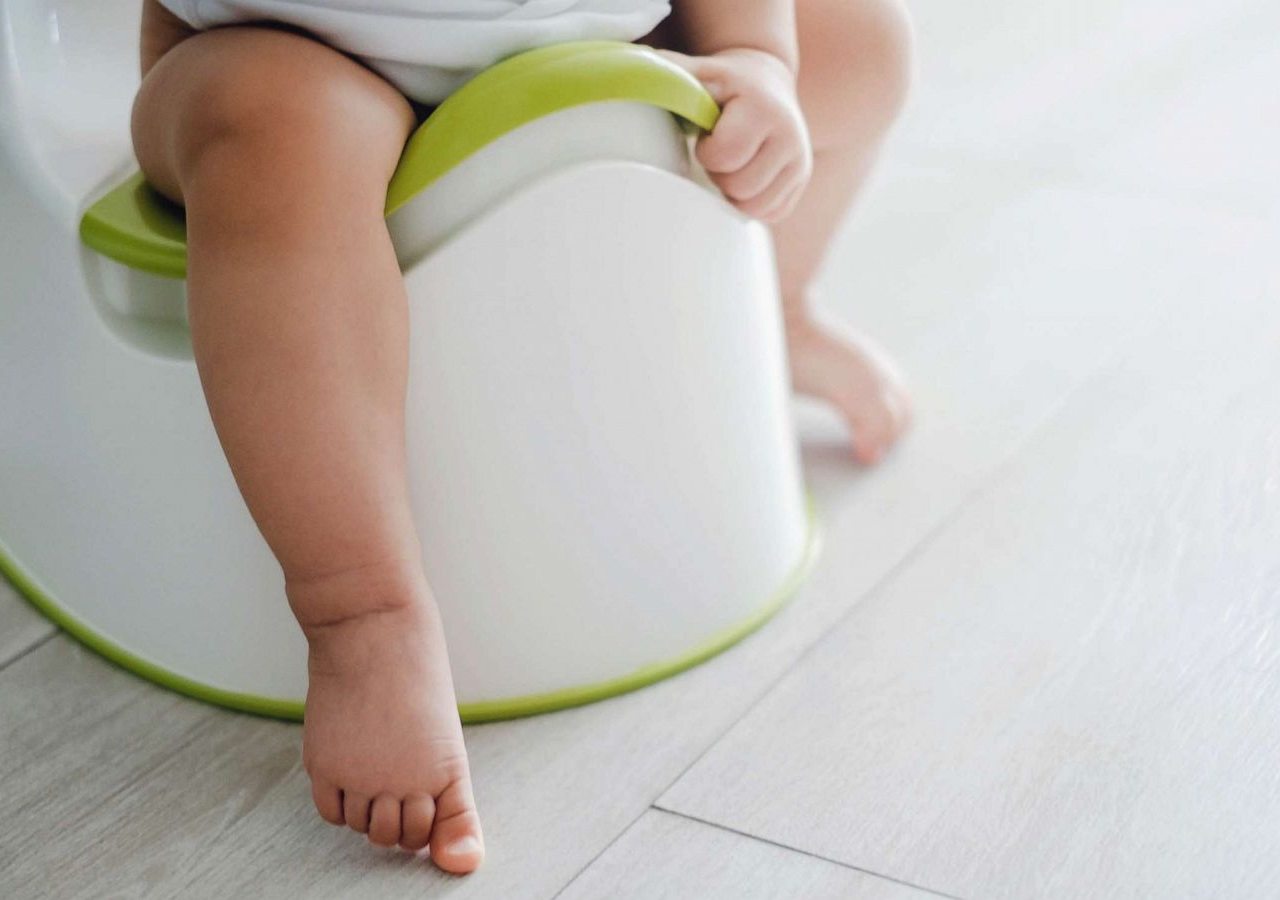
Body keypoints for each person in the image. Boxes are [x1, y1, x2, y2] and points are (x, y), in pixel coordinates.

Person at [131, 0, 913, 874]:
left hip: (603, 32)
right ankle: (361, 614)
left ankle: (780, 304)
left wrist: (754, 53)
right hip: (288, 50)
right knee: (276, 130)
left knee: (862, 43)